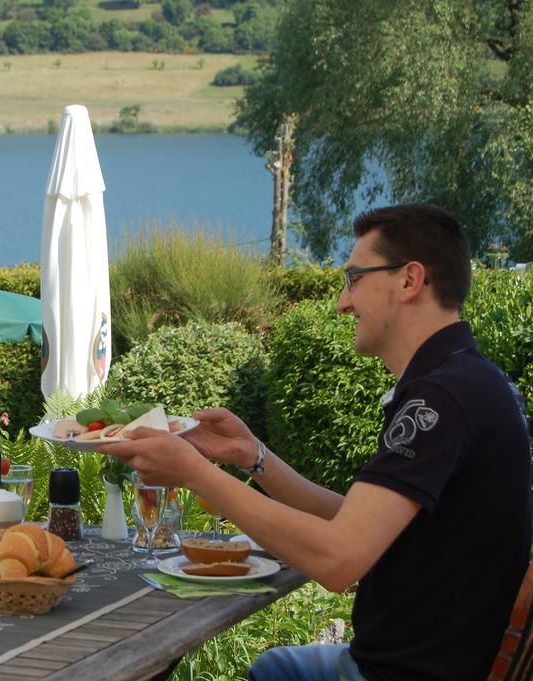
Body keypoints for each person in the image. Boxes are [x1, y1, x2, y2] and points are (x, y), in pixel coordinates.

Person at [102, 203, 531, 681]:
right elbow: (356, 524)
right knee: (275, 667)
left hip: (407, 673)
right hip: (414, 661)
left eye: (354, 278)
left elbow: (337, 559)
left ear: (409, 280)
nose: (342, 303)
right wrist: (253, 457)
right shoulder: (469, 381)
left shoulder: (443, 399)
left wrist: (194, 472)